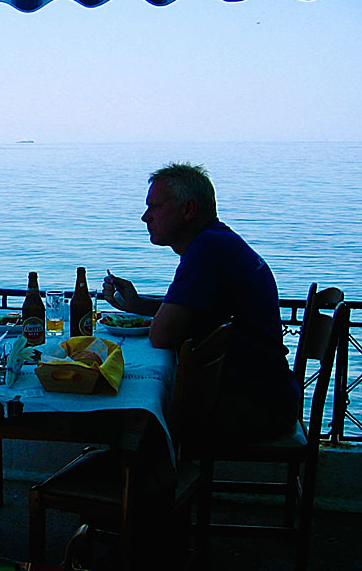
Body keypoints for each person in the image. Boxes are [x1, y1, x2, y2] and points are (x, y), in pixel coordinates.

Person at [103, 162, 299, 441]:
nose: (145, 217)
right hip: (271, 396)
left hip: (253, 409)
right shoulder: (219, 242)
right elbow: (194, 312)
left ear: (189, 210)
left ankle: (125, 482)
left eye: (155, 207)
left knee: (126, 410)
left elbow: (162, 336)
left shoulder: (207, 250)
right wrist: (137, 305)